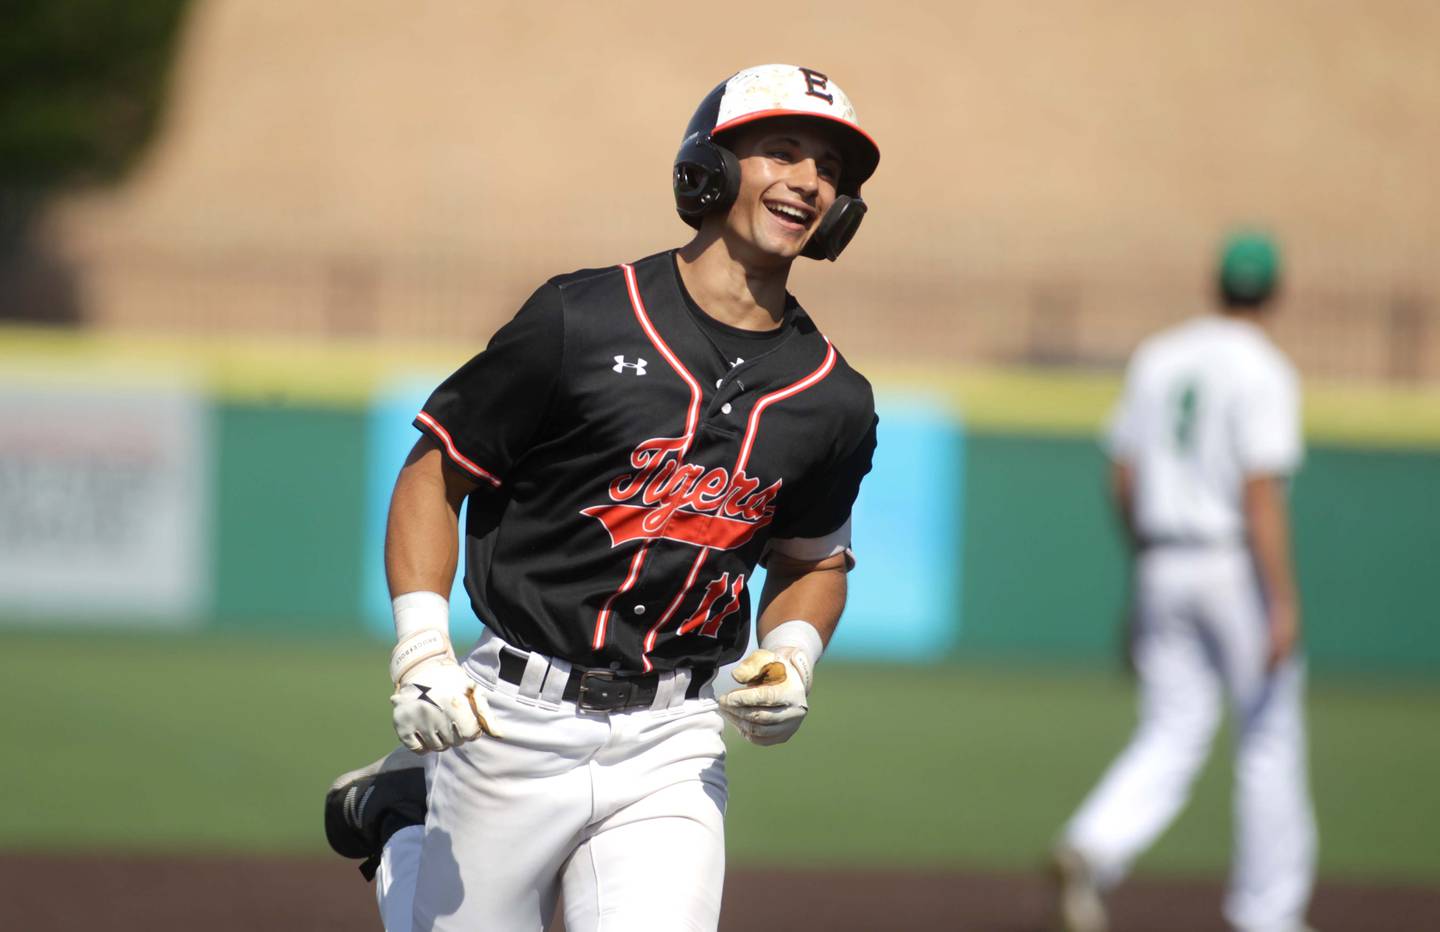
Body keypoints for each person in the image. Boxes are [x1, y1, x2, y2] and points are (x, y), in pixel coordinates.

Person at [325, 63, 880, 932]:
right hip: (510, 720)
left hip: (675, 739)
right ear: (713, 167)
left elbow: (815, 560)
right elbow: (434, 475)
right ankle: (405, 821)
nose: (809, 182)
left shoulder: (832, 396)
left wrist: (793, 653)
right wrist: (422, 653)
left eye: (831, 172)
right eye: (783, 151)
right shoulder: (578, 319)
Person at [1051, 231, 1317, 932]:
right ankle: (1270, 914)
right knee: (1268, 736)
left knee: (1172, 726)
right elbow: (1261, 492)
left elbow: (1123, 475)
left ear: (1216, 285)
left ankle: (1095, 843)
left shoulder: (1161, 355)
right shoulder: (1264, 367)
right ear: (1276, 294)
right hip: (1230, 559)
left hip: (1163, 555)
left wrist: (1145, 566)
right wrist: (1282, 601)